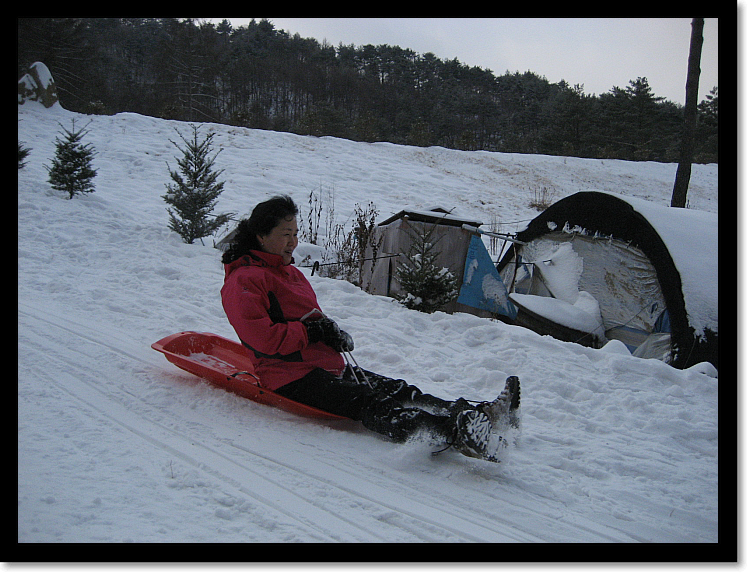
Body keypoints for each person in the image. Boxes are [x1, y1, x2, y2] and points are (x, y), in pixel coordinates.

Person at [220, 195, 520, 461]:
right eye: (286, 234)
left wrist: (329, 331)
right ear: (260, 236)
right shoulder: (244, 280)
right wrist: (313, 334)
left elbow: (306, 316)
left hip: (321, 363)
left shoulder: (288, 272)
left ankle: (477, 415)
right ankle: (457, 433)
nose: (293, 242)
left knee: (399, 389)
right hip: (289, 376)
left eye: (296, 233)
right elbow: (263, 340)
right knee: (369, 402)